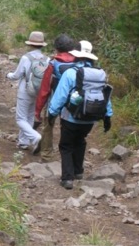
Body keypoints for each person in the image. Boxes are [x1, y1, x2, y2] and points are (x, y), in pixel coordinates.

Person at [48, 40, 112, 189]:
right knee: (80, 141)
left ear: (75, 55)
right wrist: (107, 116)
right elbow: (106, 96)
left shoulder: (70, 73)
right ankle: (78, 172)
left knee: (66, 145)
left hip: (70, 117)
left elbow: (61, 96)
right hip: (90, 118)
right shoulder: (100, 74)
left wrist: (52, 113)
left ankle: (67, 178)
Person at [34, 34, 76, 163]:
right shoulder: (78, 63)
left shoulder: (53, 64)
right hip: (72, 101)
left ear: (56, 48)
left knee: (48, 127)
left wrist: (37, 111)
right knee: (67, 127)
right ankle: (69, 155)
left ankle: (46, 155)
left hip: (54, 100)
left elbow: (44, 90)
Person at [6, 31, 46, 153]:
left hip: (25, 90)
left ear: (30, 44)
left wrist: (8, 75)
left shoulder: (26, 58)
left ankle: (35, 137)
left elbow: (17, 75)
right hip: (38, 92)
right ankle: (24, 142)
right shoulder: (46, 59)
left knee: (20, 118)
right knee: (29, 116)